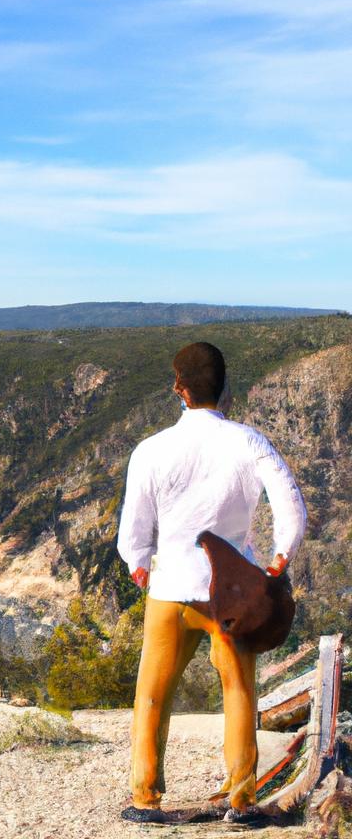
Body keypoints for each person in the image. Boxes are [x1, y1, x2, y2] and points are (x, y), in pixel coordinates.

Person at [117, 342, 306, 825]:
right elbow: (291, 506)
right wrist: (279, 560)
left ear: (178, 388)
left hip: (170, 587)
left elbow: (133, 530)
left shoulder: (151, 449)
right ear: (225, 387)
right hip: (232, 593)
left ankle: (145, 798)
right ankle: (241, 798)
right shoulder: (250, 442)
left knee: (153, 691)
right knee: (239, 688)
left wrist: (140, 565)